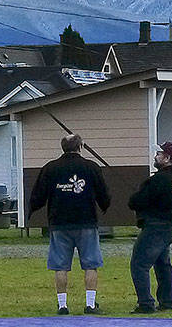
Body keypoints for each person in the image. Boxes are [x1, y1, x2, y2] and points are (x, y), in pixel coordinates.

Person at [29, 134, 112, 315]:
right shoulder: (91, 167)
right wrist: (105, 205)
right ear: (80, 146)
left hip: (59, 223)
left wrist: (31, 211)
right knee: (91, 264)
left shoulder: (50, 168)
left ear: (62, 147)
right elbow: (103, 194)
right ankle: (90, 305)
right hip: (86, 222)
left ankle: (62, 305)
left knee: (60, 266)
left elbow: (38, 196)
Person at [127, 141, 172, 314]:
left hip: (155, 226)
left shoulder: (158, 180)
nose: (155, 156)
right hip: (168, 226)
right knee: (162, 263)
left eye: (159, 154)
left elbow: (135, 202)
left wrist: (138, 192)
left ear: (167, 158)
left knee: (139, 264)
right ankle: (167, 302)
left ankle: (146, 303)